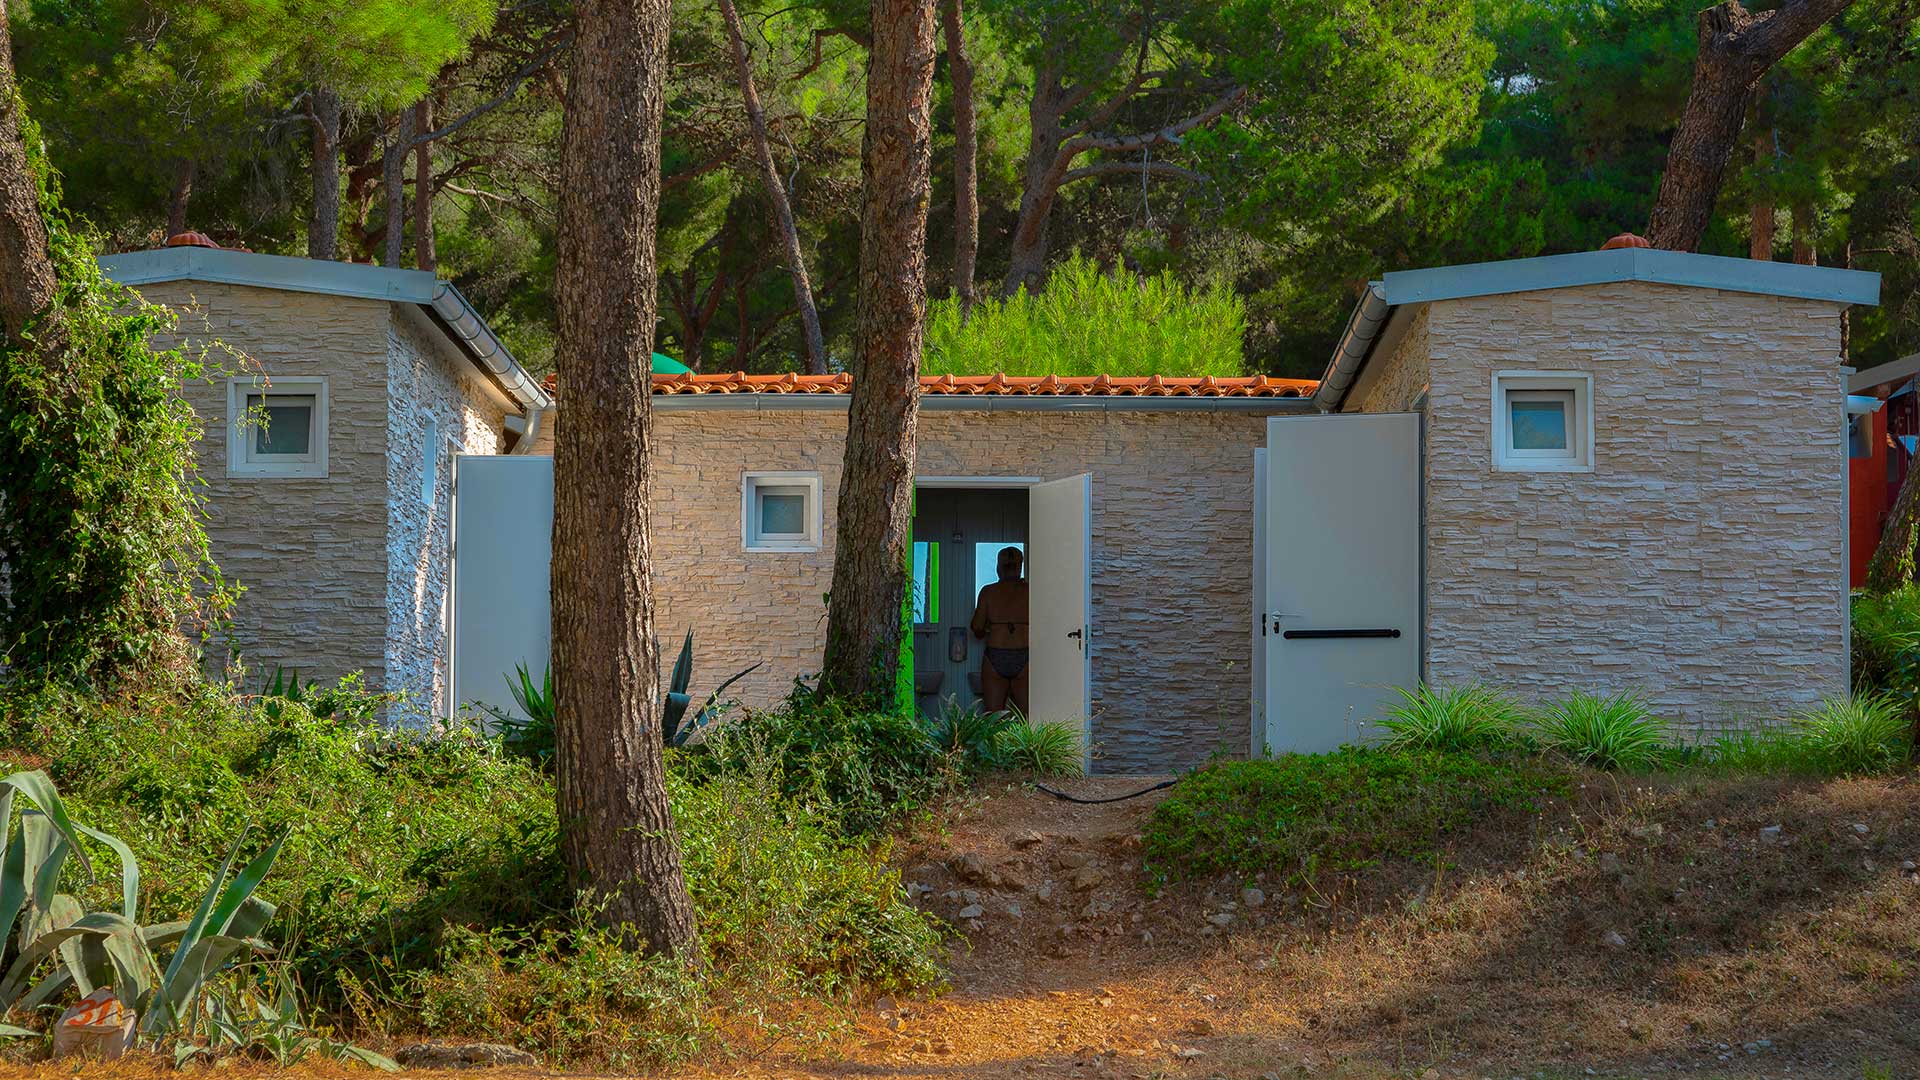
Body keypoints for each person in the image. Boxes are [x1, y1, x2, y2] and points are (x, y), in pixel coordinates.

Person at [969, 546, 1029, 716]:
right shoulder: (1030, 591)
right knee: (1026, 718)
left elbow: (977, 627)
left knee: (993, 717)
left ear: (998, 567)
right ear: (1020, 566)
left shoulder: (988, 592)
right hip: (1024, 653)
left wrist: (991, 628)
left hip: (995, 654)